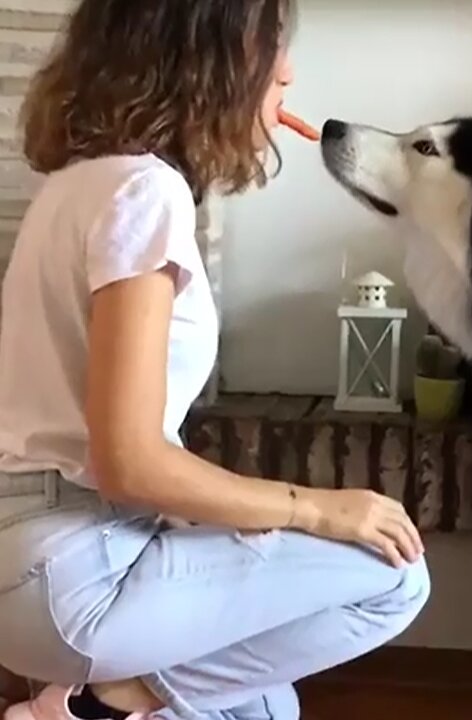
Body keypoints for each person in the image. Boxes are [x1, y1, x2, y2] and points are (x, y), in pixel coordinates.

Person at [0, 2, 429, 719]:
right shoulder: (145, 192)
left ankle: (101, 702)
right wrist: (318, 510)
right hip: (75, 572)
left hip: (43, 556)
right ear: (205, 61)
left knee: (264, 708)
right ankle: (91, 707)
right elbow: (129, 462)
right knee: (395, 578)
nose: (286, 72)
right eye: (269, 49)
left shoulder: (79, 183)